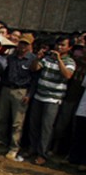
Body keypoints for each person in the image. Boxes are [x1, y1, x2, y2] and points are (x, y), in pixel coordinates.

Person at [27, 36, 76, 165]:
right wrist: (38, 58)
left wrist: (59, 60)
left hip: (53, 99)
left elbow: (67, 75)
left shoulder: (70, 61)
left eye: (63, 45)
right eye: (58, 44)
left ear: (69, 48)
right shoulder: (47, 58)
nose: (59, 47)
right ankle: (32, 149)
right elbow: (34, 68)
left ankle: (42, 154)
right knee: (34, 124)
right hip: (39, 95)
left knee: (46, 127)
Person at [0, 33, 35, 161]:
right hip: (6, 89)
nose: (22, 46)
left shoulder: (32, 59)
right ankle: (1, 140)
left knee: (17, 122)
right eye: (21, 43)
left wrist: (29, 95)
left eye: (25, 44)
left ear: (30, 46)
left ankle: (14, 147)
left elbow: (34, 80)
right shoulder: (11, 58)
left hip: (21, 91)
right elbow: (4, 75)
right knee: (2, 118)